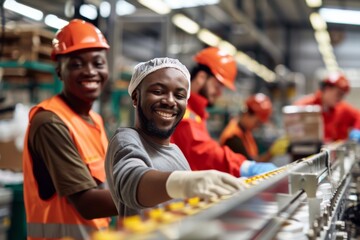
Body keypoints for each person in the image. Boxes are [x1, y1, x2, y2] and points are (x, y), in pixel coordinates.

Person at [105, 57, 246, 217]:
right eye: (158, 92)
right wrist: (184, 183)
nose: (170, 101)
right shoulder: (127, 139)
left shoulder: (175, 151)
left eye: (179, 96)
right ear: (136, 97)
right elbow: (130, 181)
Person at [23, 19, 118, 240]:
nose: (90, 72)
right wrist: (157, 195)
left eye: (98, 63)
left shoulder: (94, 120)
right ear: (59, 71)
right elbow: (87, 203)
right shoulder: (50, 122)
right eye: (76, 64)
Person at [171, 47, 277, 178]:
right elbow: (204, 152)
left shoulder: (196, 113)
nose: (220, 93)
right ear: (201, 78)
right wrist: (244, 166)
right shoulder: (184, 114)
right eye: (217, 85)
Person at [219, 93, 288, 162]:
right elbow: (250, 165)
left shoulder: (244, 130)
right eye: (257, 122)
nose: (257, 126)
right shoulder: (233, 137)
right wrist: (271, 153)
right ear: (247, 114)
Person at [294, 73, 360, 143]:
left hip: (336, 152)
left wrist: (357, 130)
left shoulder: (342, 108)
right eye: (338, 94)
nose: (340, 98)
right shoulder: (304, 106)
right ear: (327, 89)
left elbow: (358, 116)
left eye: (343, 95)